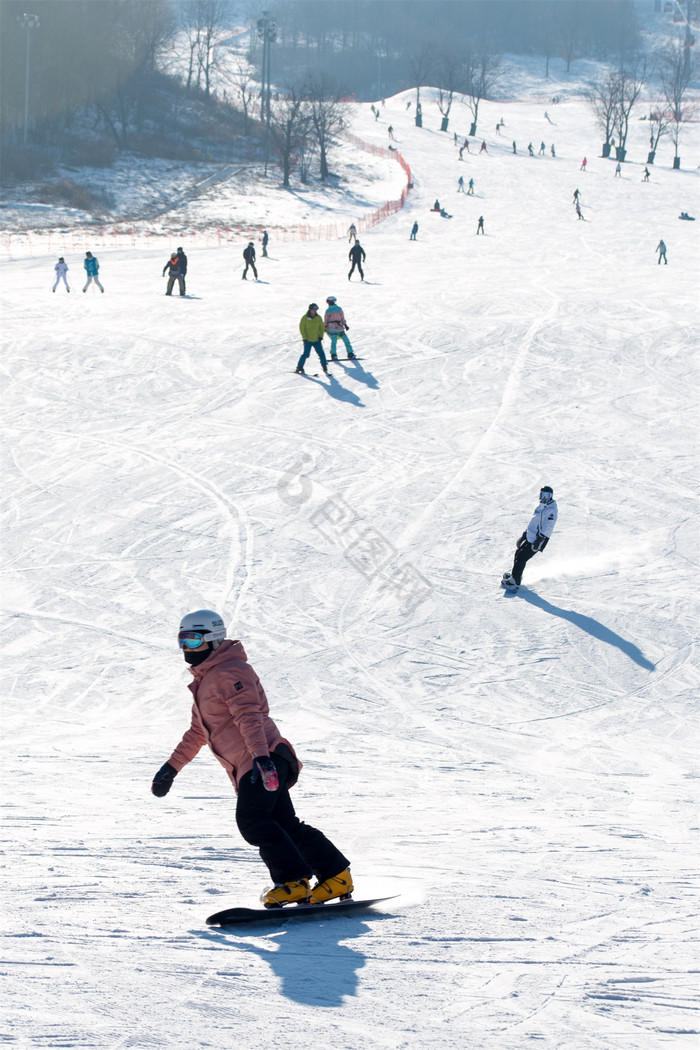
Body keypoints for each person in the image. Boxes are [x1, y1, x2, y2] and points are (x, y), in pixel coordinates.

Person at [151, 610, 352, 908]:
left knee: (253, 820)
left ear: (214, 639)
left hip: (263, 758)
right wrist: (171, 767)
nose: (186, 649)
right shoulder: (207, 680)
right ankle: (336, 876)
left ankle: (293, 881)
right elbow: (199, 732)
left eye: (193, 641)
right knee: (284, 822)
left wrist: (261, 759)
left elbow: (249, 716)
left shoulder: (230, 671)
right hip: (259, 760)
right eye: (182, 641)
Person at [501, 486, 558, 592]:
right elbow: (533, 523)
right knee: (518, 553)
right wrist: (524, 535)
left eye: (547, 496)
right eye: (542, 495)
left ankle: (515, 583)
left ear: (551, 497)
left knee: (522, 558)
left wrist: (540, 539)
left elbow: (549, 526)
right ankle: (515, 576)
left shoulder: (551, 510)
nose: (544, 498)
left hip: (539, 539)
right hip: (531, 536)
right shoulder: (540, 507)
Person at [296, 303, 328, 375]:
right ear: (310, 309)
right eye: (313, 309)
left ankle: (324, 367)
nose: (314, 311)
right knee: (306, 354)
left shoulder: (318, 318)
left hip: (316, 340)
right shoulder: (305, 318)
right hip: (308, 340)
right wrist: (304, 337)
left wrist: (320, 336)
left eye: (316, 310)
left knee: (321, 354)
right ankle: (299, 367)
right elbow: (302, 328)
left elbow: (321, 327)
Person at [324, 296, 355, 361]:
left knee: (337, 341)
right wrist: (345, 325)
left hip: (335, 328)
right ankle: (348, 353)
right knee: (343, 341)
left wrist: (345, 325)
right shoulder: (336, 309)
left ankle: (335, 354)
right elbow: (327, 320)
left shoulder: (331, 310)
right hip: (336, 328)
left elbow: (326, 320)